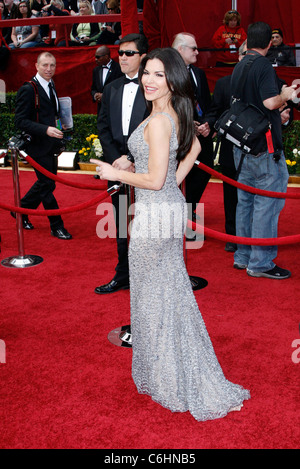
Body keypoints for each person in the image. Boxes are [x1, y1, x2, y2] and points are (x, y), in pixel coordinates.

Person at [91, 47, 250, 421]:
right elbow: (194, 147)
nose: (148, 79)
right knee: (167, 291)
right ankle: (170, 370)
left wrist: (118, 174)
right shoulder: (170, 112)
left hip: (153, 216)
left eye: (159, 74)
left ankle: (167, 375)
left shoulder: (161, 119)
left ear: (173, 78)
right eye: (147, 71)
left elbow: (154, 178)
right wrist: (169, 189)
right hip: (163, 209)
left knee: (154, 293)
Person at [231, 22, 299, 279]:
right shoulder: (262, 66)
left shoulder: (239, 65)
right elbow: (270, 101)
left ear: (246, 41)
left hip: (242, 145)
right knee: (266, 205)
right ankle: (260, 263)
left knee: (246, 203)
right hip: (264, 147)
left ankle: (243, 256)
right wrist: (287, 94)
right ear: (270, 44)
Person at [94, 33, 149, 294]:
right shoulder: (111, 87)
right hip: (116, 166)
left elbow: (156, 128)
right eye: (121, 53)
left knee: (149, 222)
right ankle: (123, 273)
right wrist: (117, 160)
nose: (123, 57)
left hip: (146, 168)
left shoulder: (154, 87)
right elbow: (102, 127)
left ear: (143, 57)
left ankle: (149, 276)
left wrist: (132, 159)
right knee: (121, 221)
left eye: (130, 53)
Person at [14, 51, 72, 239]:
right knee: (47, 185)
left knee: (46, 182)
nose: (49, 69)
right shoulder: (29, 89)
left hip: (51, 144)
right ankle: (56, 225)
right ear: (36, 66)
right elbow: (20, 121)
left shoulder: (51, 85)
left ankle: (20, 210)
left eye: (52, 65)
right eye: (45, 65)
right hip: (37, 146)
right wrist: (45, 129)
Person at [172, 32, 213, 229]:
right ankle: (181, 216)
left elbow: (207, 105)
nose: (197, 52)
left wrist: (207, 124)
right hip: (179, 137)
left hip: (202, 136)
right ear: (180, 49)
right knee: (180, 176)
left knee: (205, 171)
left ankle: (189, 210)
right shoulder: (166, 73)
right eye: (193, 48)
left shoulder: (199, 73)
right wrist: (188, 125)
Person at [91, 45, 123, 115]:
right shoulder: (96, 70)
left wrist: (105, 96)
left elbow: (120, 89)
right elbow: (93, 88)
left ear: (106, 56)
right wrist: (95, 95)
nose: (96, 59)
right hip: (101, 110)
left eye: (98, 57)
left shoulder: (119, 68)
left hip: (115, 108)